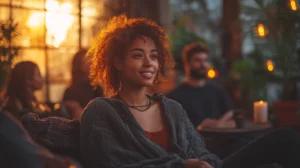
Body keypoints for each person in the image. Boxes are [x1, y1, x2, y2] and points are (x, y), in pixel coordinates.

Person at [80, 14, 300, 168]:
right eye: (138, 55)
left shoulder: (172, 109)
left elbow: (202, 154)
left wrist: (206, 164)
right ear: (117, 62)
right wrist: (181, 166)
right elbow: (109, 164)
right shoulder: (102, 111)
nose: (149, 63)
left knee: (286, 138)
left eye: (154, 56)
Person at [167, 42, 234, 130]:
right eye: (198, 60)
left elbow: (230, 113)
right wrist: (200, 127)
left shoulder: (217, 91)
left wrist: (219, 124)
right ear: (187, 64)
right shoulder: (174, 96)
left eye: (205, 60)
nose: (203, 65)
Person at [5, 61, 82, 120]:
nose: (42, 78)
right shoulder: (18, 106)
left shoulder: (29, 101)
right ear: (28, 80)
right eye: (38, 75)